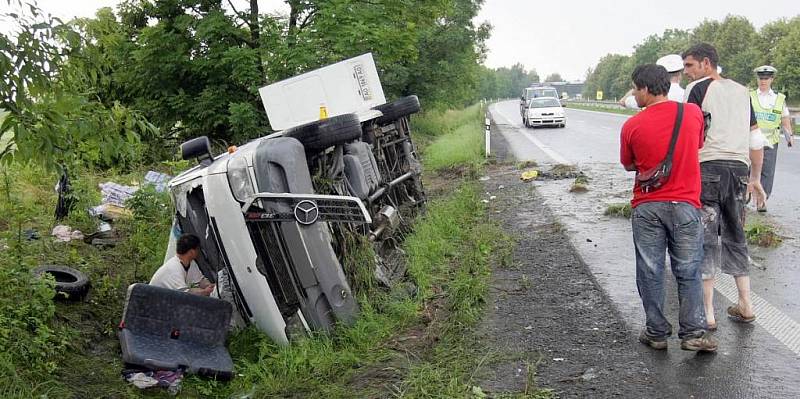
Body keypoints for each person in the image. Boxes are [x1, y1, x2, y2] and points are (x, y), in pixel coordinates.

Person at [620, 64, 717, 352]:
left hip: (648, 206)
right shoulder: (692, 113)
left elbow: (629, 164)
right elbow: (697, 144)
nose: (634, 94)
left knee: (650, 270)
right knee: (688, 270)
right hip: (686, 205)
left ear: (646, 89)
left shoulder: (632, 125)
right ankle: (694, 334)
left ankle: (657, 332)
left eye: (635, 88)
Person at [682, 43, 769, 330]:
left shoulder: (697, 91)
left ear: (706, 64)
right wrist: (755, 178)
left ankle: (708, 313)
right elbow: (756, 142)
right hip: (739, 170)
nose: (686, 73)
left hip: (708, 168)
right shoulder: (743, 92)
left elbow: (688, 135)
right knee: (735, 234)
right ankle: (746, 303)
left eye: (690, 66)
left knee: (706, 238)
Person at [751, 65, 794, 211]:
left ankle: (762, 201)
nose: (763, 81)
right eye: (761, 78)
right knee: (749, 169)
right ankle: (745, 197)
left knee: (767, 172)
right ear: (757, 79)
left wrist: (789, 136)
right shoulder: (750, 96)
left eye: (766, 78)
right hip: (751, 141)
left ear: (771, 79)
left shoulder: (779, 99)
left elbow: (785, 118)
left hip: (771, 140)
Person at [150, 233, 216, 296]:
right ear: (192, 252)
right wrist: (205, 292)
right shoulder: (174, 268)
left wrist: (210, 286)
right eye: (198, 249)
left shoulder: (190, 263)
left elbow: (200, 281)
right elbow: (185, 294)